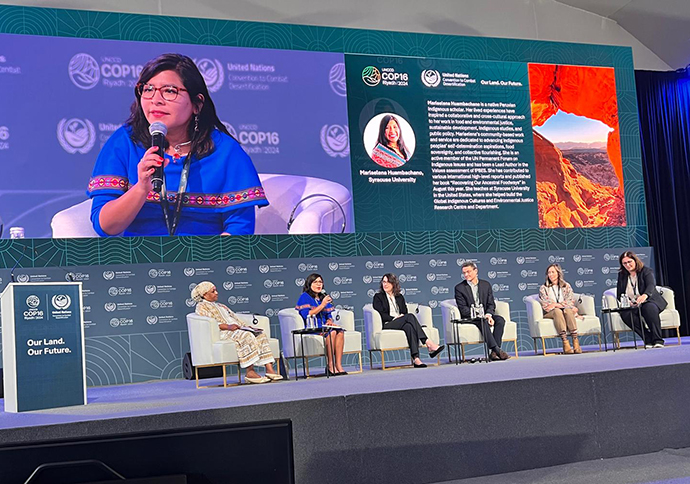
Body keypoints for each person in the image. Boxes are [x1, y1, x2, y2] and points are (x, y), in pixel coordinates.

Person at [87, 53, 268, 237]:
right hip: (140, 261)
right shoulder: (125, 142)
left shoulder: (225, 151)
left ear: (197, 104)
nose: (155, 100)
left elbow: (240, 229)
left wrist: (209, 262)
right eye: (148, 89)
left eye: (169, 91)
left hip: (205, 260)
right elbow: (105, 227)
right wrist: (141, 189)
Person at [192, 281, 282, 384]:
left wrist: (246, 327)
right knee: (246, 335)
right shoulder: (201, 306)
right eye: (213, 291)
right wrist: (228, 327)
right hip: (223, 332)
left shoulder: (221, 306)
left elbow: (234, 317)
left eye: (216, 290)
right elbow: (208, 323)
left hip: (235, 329)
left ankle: (269, 369)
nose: (216, 293)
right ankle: (250, 371)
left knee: (260, 334)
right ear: (205, 294)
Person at [372, 273, 444, 368]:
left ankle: (416, 359)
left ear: (394, 284)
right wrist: (394, 318)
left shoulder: (399, 297)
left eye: (388, 282)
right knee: (410, 316)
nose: (385, 284)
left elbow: (404, 311)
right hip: (388, 323)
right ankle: (428, 343)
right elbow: (380, 313)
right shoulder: (378, 297)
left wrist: (401, 316)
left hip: (401, 322)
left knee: (409, 327)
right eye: (384, 282)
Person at [454, 261, 510, 360]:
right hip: (471, 316)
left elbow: (491, 303)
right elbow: (463, 308)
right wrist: (479, 315)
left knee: (500, 320)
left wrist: (488, 315)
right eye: (464, 273)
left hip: (485, 315)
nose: (466, 275)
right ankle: (497, 350)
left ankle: (493, 353)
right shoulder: (459, 288)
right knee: (482, 321)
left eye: (468, 272)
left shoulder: (486, 285)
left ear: (476, 271)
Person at [296, 273, 347, 375]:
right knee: (332, 333)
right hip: (314, 327)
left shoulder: (322, 296)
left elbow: (329, 314)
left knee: (340, 332)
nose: (319, 284)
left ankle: (338, 365)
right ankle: (330, 365)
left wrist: (329, 321)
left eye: (320, 282)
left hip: (326, 326)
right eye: (315, 282)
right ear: (309, 284)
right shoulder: (304, 297)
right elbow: (308, 314)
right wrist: (323, 304)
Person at [616, 251, 666, 348]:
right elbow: (619, 293)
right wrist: (628, 302)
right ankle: (647, 339)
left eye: (629, 262)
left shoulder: (646, 271)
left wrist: (645, 295)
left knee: (649, 308)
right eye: (624, 263)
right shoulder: (622, 275)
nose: (627, 265)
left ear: (635, 260)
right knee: (625, 314)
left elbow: (651, 285)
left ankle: (658, 340)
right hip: (634, 304)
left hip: (649, 300)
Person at [539, 264, 581, 354]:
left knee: (568, 310)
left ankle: (575, 340)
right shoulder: (544, 288)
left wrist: (556, 304)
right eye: (549, 273)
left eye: (553, 272)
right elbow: (546, 304)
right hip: (550, 312)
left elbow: (570, 301)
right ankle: (565, 341)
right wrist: (559, 305)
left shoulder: (566, 286)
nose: (550, 275)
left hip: (564, 309)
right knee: (558, 311)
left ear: (558, 273)